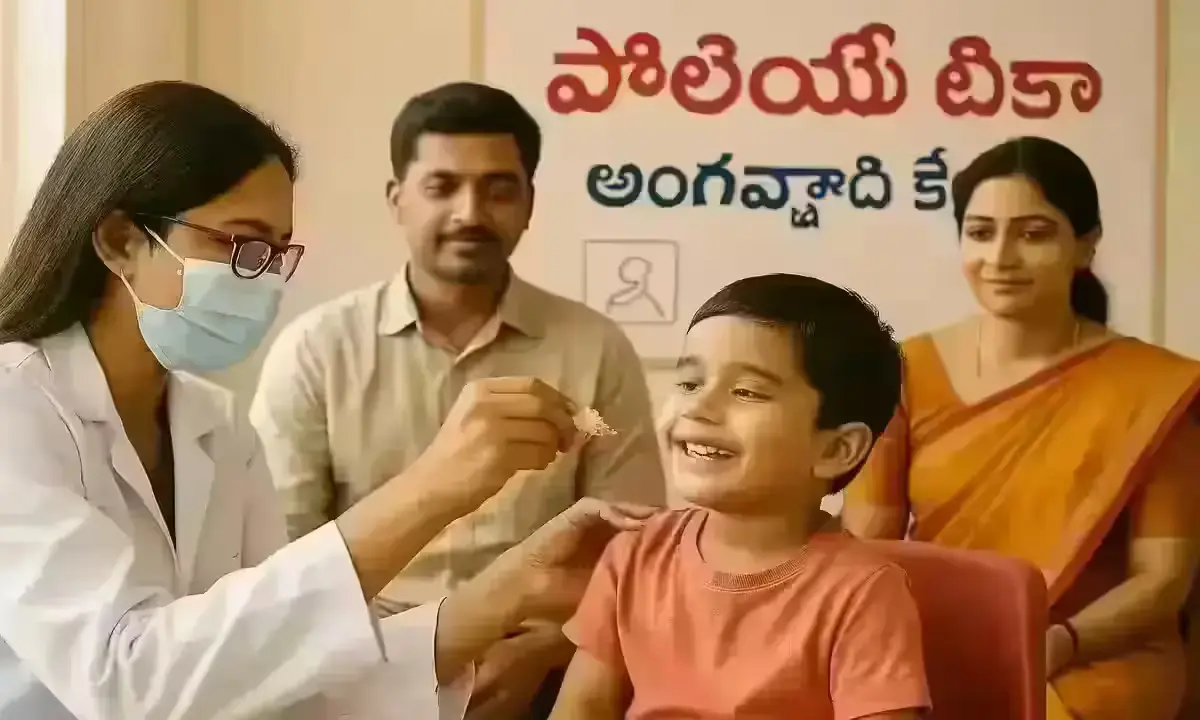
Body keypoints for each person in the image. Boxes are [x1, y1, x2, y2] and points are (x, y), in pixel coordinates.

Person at [0, 80, 657, 720]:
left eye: (275, 252)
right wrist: (433, 489)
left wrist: (516, 585)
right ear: (121, 240)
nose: (260, 280)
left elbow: (283, 667)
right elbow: (127, 683)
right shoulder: (16, 408)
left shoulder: (215, 425)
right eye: (239, 244)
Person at [250, 81, 665, 717]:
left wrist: (546, 650)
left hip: (535, 667)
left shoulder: (594, 348)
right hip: (361, 661)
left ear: (530, 204)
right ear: (398, 201)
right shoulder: (315, 350)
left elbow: (633, 549)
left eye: (498, 188)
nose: (470, 212)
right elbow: (280, 562)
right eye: (442, 187)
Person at [841, 136, 1200, 720]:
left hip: (1095, 657)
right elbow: (865, 543)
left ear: (1085, 246)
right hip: (938, 646)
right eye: (981, 233)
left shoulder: (1154, 389)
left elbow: (1162, 582)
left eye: (1033, 234)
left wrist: (1060, 642)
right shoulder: (903, 371)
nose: (1001, 257)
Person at [551, 274, 931, 719]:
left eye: (747, 391)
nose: (699, 407)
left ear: (834, 449)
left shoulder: (865, 593)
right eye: (690, 384)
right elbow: (583, 708)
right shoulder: (633, 555)